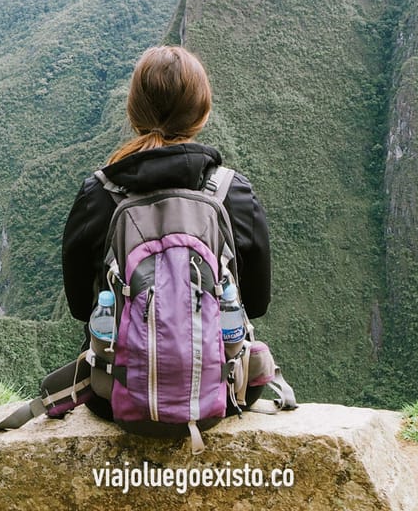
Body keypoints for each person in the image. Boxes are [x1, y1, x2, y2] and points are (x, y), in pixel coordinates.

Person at [61, 44, 272, 420]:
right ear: (203, 113)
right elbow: (255, 304)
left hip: (113, 397)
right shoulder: (232, 192)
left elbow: (81, 306)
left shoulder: (99, 193)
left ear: (132, 112)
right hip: (222, 393)